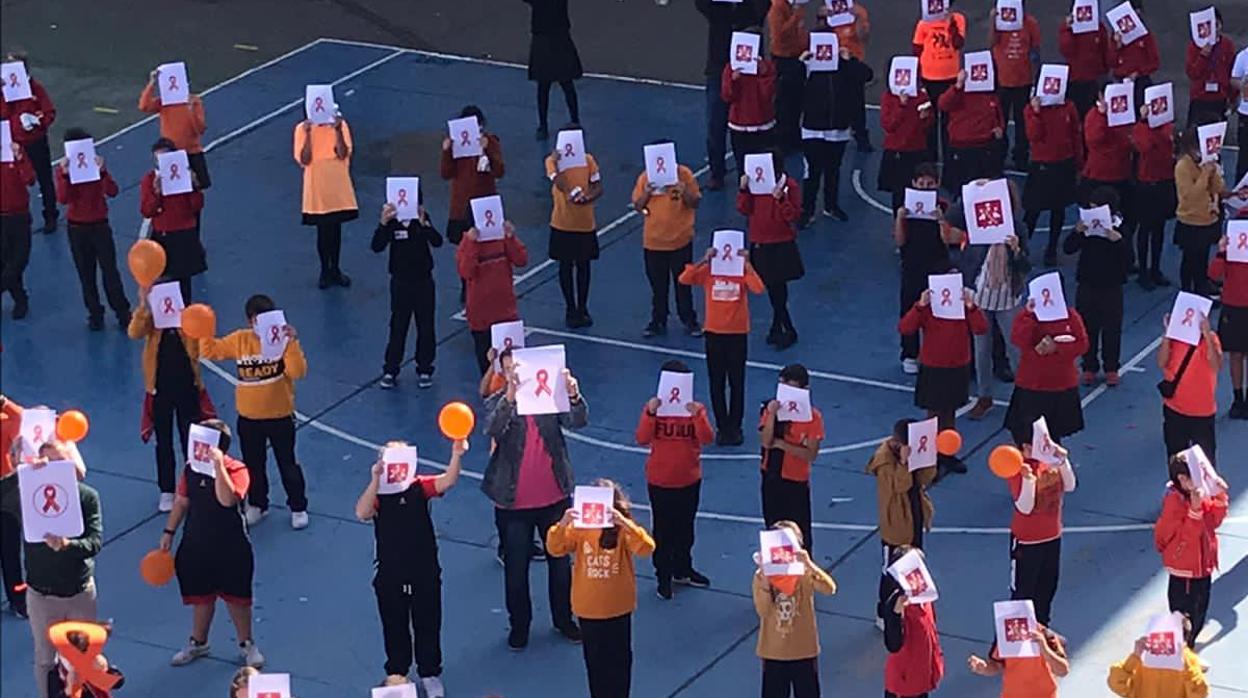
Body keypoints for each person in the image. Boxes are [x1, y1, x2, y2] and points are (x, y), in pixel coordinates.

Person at [482, 362, 588, 650]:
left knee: (561, 565)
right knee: (516, 569)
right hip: (513, 502)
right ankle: (520, 625)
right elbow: (491, 428)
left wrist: (573, 395)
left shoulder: (550, 397)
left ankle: (563, 619)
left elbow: (577, 421)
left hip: (554, 497)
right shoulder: (498, 400)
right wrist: (510, 397)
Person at [355, 439, 466, 698]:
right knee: (394, 626)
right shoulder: (379, 495)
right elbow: (362, 512)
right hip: (390, 573)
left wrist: (456, 455)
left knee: (428, 621)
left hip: (424, 569)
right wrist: (375, 480)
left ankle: (429, 672)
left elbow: (447, 481)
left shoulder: (418, 487)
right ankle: (398, 674)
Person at [159, 419, 264, 670]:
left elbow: (227, 500)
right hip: (196, 541)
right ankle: (198, 642)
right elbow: (182, 502)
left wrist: (218, 466)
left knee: (237, 597)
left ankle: (247, 644)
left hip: (231, 545)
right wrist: (169, 531)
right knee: (201, 596)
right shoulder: (190, 469)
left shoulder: (237, 469)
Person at [0, 440, 101, 698]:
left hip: (79, 592)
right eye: (48, 463)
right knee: (45, 659)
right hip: (41, 594)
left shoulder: (86, 496)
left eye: (60, 463)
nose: (55, 469)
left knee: (84, 656)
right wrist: (21, 475)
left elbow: (94, 542)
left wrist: (68, 545)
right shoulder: (27, 497)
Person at [199, 294, 310, 529]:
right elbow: (212, 351)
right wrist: (203, 329)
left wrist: (291, 344)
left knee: (288, 463)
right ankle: (258, 504)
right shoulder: (240, 340)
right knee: (253, 464)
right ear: (251, 321)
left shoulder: (282, 341)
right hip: (249, 419)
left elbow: (298, 372)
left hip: (280, 416)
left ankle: (298, 506)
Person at [547, 479, 654, 698]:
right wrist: (564, 522)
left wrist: (625, 523)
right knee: (596, 665)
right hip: (590, 609)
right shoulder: (579, 530)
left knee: (619, 662)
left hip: (617, 608)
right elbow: (555, 548)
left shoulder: (622, 531)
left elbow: (646, 548)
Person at [950, 181, 1030, 419]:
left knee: (1015, 348)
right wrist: (972, 191)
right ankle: (984, 397)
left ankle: (1024, 397)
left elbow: (1026, 265)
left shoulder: (1016, 227)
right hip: (979, 292)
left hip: (1007, 295)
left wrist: (1016, 251)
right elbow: (952, 216)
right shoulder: (977, 220)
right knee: (981, 349)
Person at [635, 360, 714, 600]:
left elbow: (707, 438)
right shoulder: (654, 409)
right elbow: (641, 438)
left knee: (685, 529)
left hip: (688, 479)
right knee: (663, 530)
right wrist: (650, 413)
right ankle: (663, 576)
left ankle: (682, 568)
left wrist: (698, 416)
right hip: (661, 480)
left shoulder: (695, 410)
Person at [128, 284, 208, 512]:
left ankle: (192, 485)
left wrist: (193, 321)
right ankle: (167, 489)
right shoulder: (153, 325)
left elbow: (200, 347)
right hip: (160, 391)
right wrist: (144, 306)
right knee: (163, 442)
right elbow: (134, 332)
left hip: (187, 388)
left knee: (190, 440)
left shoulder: (187, 323)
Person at [679, 246, 766, 445]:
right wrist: (704, 259)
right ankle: (722, 427)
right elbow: (684, 278)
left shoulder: (742, 273)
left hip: (737, 335)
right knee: (716, 384)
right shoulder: (709, 272)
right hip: (714, 334)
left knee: (736, 383)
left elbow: (759, 288)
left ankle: (735, 428)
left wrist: (747, 265)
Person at [898, 285, 988, 475]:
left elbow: (981, 328)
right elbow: (905, 328)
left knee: (950, 413)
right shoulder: (927, 308)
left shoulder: (964, 307)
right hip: (934, 367)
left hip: (957, 366)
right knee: (934, 415)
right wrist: (920, 306)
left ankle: (946, 453)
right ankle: (930, 459)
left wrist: (971, 307)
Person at [55, 127, 130, 331]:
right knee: (86, 275)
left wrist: (102, 172)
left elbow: (112, 191)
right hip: (78, 228)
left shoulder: (97, 166)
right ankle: (95, 313)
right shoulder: (64, 170)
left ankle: (122, 312)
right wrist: (64, 175)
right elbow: (63, 198)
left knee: (110, 272)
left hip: (98, 226)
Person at [1154, 450, 1229, 651]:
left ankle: (1189, 649)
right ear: (1183, 479)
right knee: (1183, 616)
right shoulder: (1174, 503)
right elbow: (1183, 537)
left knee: (1200, 611)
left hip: (1202, 565)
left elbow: (1213, 521)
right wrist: (1195, 511)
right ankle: (1182, 653)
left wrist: (1219, 495)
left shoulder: (1197, 494)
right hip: (1185, 567)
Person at [752, 521, 836, 698]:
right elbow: (763, 610)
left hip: (803, 650)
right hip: (774, 652)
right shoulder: (762, 576)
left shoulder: (804, 573)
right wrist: (766, 582)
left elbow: (829, 588)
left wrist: (809, 564)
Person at [866, 420, 936, 628]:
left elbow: (924, 478)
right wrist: (905, 463)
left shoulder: (912, 450)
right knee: (891, 570)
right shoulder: (884, 461)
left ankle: (909, 604)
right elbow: (899, 485)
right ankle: (883, 612)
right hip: (895, 522)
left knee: (914, 563)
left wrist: (928, 458)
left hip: (913, 515)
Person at [797, 36, 873, 224]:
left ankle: (831, 205)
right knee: (812, 172)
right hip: (813, 129)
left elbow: (867, 75)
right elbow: (788, 81)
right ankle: (807, 209)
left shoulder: (844, 66)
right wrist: (800, 63)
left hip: (837, 128)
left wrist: (850, 60)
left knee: (833, 170)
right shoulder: (808, 67)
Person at [696, 0, 770, 189]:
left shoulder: (751, 10)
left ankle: (752, 172)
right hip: (719, 69)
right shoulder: (717, 9)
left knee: (751, 125)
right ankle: (717, 172)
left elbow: (765, 5)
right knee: (715, 124)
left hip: (748, 72)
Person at [632, 143, 703, 338]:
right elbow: (637, 205)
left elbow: (695, 201)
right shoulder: (645, 178)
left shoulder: (684, 175)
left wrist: (683, 189)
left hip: (680, 241)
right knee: (658, 287)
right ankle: (658, 320)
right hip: (654, 242)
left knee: (683, 284)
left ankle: (689, 319)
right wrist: (647, 192)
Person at [372, 200, 443, 389]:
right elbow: (377, 246)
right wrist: (383, 224)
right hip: (401, 283)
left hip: (423, 282)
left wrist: (425, 225)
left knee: (426, 326)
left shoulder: (421, 220)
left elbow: (437, 241)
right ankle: (391, 369)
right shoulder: (392, 222)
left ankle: (425, 368)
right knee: (398, 327)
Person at [1064, 187, 1130, 387]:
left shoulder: (1121, 228)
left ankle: (1111, 368)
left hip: (1112, 286)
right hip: (1087, 283)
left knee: (1111, 329)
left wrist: (1119, 242)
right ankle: (1089, 366)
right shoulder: (1086, 228)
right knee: (1087, 327)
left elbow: (1130, 260)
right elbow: (1068, 249)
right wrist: (1077, 232)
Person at [1004, 290, 1089, 446]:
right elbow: (1018, 339)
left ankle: (1052, 470)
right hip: (1031, 385)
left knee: (1053, 439)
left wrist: (1057, 347)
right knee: (1023, 436)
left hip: (1060, 386)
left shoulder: (1071, 316)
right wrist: (1029, 315)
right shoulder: (1028, 316)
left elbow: (1082, 345)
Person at [894, 164, 955, 374]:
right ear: (913, 184)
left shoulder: (944, 206)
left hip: (937, 265)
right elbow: (900, 242)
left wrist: (940, 221)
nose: (925, 187)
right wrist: (900, 218)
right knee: (909, 309)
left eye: (930, 183)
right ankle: (909, 352)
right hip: (912, 265)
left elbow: (948, 242)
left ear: (937, 184)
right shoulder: (906, 207)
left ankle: (935, 353)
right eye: (921, 183)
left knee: (939, 312)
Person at [439, 104, 505, 302]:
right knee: (464, 249)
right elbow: (445, 173)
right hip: (462, 205)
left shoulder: (491, 142)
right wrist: (446, 152)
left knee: (487, 248)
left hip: (484, 204)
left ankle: (483, 285)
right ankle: (465, 286)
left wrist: (487, 152)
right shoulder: (456, 146)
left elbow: (499, 171)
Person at [1008, 441, 1077, 625]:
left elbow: (1069, 485)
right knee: (1023, 595)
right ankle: (1009, 647)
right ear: (1025, 447)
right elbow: (1025, 507)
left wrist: (1062, 460)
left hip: (1052, 537)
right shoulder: (1017, 467)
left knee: (1047, 589)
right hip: (1027, 542)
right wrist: (1029, 480)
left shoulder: (1050, 462)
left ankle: (1042, 631)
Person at [739, 151, 802, 348]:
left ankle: (786, 328)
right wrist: (743, 190)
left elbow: (793, 216)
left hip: (781, 242)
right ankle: (779, 326)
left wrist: (781, 200)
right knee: (772, 287)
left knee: (778, 287)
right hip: (760, 241)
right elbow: (744, 209)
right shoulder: (754, 186)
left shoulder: (789, 186)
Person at [759, 364, 824, 553]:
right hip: (772, 475)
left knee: (801, 535)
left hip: (796, 480)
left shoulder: (813, 418)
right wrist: (771, 414)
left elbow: (811, 454)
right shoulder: (771, 409)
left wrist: (782, 445)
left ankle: (804, 577)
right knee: (774, 532)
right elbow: (766, 441)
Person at [546, 126, 603, 328]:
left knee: (584, 267)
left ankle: (582, 307)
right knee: (565, 267)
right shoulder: (553, 162)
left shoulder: (588, 161)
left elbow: (598, 186)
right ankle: (570, 308)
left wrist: (588, 197)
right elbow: (559, 183)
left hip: (585, 224)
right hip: (562, 223)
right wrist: (557, 164)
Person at [294, 112, 358, 289]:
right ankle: (324, 270)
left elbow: (343, 153)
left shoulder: (341, 125)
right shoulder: (301, 129)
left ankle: (335, 269)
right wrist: (307, 134)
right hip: (317, 186)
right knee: (323, 231)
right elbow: (304, 158)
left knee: (335, 229)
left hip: (336, 184)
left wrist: (337, 131)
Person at [458, 220, 528, 374]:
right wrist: (472, 244)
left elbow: (521, 260)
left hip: (506, 313)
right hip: (480, 317)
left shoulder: (502, 238)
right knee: (487, 369)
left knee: (514, 367)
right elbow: (466, 272)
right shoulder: (467, 242)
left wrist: (511, 237)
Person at [140, 138, 205, 302]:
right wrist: (156, 193)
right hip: (163, 236)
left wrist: (195, 186)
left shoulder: (184, 177)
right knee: (163, 284)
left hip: (184, 235)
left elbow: (196, 206)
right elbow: (147, 211)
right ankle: (167, 325)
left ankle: (184, 323)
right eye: (158, 159)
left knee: (184, 285)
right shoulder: (149, 180)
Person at [0, 51, 57, 234]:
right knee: (15, 181)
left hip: (35, 142)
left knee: (44, 180)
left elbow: (49, 113)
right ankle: (22, 217)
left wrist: (36, 121)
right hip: (15, 145)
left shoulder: (36, 89)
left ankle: (50, 216)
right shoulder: (5, 91)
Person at [1026, 93, 1083, 267]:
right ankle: (1020, 248)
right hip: (1042, 164)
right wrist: (1036, 112)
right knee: (1032, 210)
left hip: (1063, 163)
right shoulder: (1031, 109)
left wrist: (1079, 162)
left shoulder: (1068, 107)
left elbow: (1075, 135)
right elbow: (1033, 135)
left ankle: (1051, 249)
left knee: (1058, 210)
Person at [879, 545, 944, 698]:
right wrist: (896, 614)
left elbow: (931, 632)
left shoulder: (925, 598)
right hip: (903, 686)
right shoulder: (896, 603)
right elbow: (893, 644)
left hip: (922, 679)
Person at [1158, 312, 1222, 465]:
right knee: (1176, 463)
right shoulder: (1174, 339)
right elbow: (1161, 362)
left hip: (1202, 413)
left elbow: (1216, 365)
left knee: (1206, 465)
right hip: (1175, 409)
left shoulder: (1211, 339)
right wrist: (1167, 335)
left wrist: (1206, 334)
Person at [1080, 87, 1134, 269]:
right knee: (1098, 223)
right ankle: (1096, 258)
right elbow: (1094, 140)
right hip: (1100, 177)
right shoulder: (1093, 117)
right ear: (1101, 96)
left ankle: (1123, 257)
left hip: (1121, 175)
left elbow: (1129, 139)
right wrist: (1103, 116)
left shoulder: (1124, 115)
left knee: (1124, 221)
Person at [988, 3, 1041, 169]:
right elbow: (991, 42)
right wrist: (993, 21)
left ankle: (1021, 158)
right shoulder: (998, 23)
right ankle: (998, 156)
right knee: (999, 121)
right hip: (1002, 81)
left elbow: (1035, 50)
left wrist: (1036, 78)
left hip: (1023, 81)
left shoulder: (1030, 23)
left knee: (1022, 122)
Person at [139, 64, 210, 189]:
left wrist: (191, 110)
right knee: (173, 189)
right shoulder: (164, 102)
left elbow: (200, 129)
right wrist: (152, 83)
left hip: (192, 151)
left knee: (199, 186)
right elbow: (144, 106)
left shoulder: (194, 101)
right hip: (171, 153)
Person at [1174, 126, 1226, 295]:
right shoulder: (1182, 166)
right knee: (1190, 259)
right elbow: (1190, 195)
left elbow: (1218, 188)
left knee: (1203, 257)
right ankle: (1186, 291)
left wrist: (1215, 172)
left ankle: (1201, 287)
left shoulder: (1206, 164)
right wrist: (1204, 174)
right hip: (1190, 220)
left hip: (1207, 218)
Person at [1132, 104, 1177, 290]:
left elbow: (1170, 146)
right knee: (1145, 229)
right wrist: (1145, 123)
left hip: (1164, 181)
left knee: (1159, 229)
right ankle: (1143, 271)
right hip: (1147, 184)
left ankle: (1155, 269)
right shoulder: (1140, 129)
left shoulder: (1168, 127)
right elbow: (1145, 147)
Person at [938, 69, 1004, 194]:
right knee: (960, 192)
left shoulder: (990, 95)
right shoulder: (958, 92)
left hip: (985, 148)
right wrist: (958, 85)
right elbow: (943, 104)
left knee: (984, 191)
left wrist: (1000, 128)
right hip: (962, 148)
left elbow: (997, 114)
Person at [722, 29, 777, 177]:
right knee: (743, 171)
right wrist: (733, 80)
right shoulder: (731, 68)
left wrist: (763, 73)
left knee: (767, 170)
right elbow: (727, 96)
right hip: (739, 127)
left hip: (762, 126)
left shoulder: (767, 67)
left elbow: (768, 95)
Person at [524, 0, 582, 140]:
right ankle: (574, 120)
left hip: (545, 38)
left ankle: (543, 126)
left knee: (544, 86)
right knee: (566, 83)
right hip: (559, 36)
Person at [911, 5, 966, 154]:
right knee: (930, 118)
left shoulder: (958, 19)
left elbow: (958, 43)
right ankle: (931, 154)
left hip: (950, 76)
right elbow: (917, 49)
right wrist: (917, 75)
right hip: (929, 77)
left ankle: (950, 153)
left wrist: (951, 24)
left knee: (949, 119)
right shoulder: (924, 23)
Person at [1107, 620, 1209, 697]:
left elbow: (1200, 693)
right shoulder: (1141, 661)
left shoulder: (1189, 663)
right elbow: (1116, 683)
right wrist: (1135, 656)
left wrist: (1186, 665)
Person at [878, 85, 935, 213]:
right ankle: (898, 224)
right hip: (896, 150)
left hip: (917, 149)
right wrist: (901, 106)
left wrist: (925, 119)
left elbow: (929, 126)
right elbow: (888, 125)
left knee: (920, 190)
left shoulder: (922, 96)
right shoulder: (888, 97)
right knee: (898, 192)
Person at [968, 625, 1070, 696]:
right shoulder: (1004, 635)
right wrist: (984, 667)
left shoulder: (1047, 635)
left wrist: (1044, 648)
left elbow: (1063, 670)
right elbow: (997, 665)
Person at [1210, 234, 1248, 419]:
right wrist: (1221, 252)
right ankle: (1238, 398)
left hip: (1236, 306)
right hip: (1233, 306)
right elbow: (1213, 274)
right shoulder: (1231, 249)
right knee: (1236, 354)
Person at [829, 1, 872, 150]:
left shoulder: (859, 11)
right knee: (834, 97)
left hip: (853, 61)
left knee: (856, 101)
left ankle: (861, 135)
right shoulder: (828, 11)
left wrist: (858, 18)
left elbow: (864, 37)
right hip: (833, 61)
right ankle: (835, 132)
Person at [0, 138, 35, 319]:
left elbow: (30, 179)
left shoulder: (15, 151)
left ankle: (17, 296)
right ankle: (19, 299)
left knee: (19, 259)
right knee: (5, 260)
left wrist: (20, 158)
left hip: (19, 215)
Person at [768, 0, 809, 153]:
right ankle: (782, 140)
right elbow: (780, 34)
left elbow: (799, 32)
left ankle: (793, 136)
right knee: (784, 102)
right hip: (783, 59)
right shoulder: (777, 6)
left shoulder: (793, 7)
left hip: (796, 56)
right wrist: (796, 16)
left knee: (797, 100)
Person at [1184, 8, 1234, 128]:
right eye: (1211, 25)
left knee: (1215, 138)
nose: (1214, 29)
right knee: (1195, 136)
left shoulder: (1227, 45)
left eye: (1217, 25)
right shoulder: (1195, 45)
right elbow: (1192, 73)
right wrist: (1203, 55)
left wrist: (1232, 98)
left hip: (1220, 98)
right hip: (1200, 98)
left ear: (1221, 25)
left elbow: (1232, 73)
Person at [1106, 0, 1159, 110]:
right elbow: (1111, 62)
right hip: (1121, 82)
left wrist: (1138, 72)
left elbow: (1155, 62)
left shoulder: (1145, 36)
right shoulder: (1115, 36)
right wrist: (1117, 46)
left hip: (1141, 83)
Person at [1058, 11, 1110, 118]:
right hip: (1075, 80)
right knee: (1076, 116)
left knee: (1095, 116)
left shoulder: (1099, 28)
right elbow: (1066, 50)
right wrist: (1068, 29)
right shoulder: (1068, 29)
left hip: (1094, 80)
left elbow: (1105, 50)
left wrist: (1104, 73)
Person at [0, 394, 25, 618]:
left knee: (10, 550)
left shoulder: (3, 419)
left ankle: (17, 599)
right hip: (7, 487)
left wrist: (4, 403)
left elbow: (23, 420)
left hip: (6, 489)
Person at [1234, 46, 1248, 185]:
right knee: (1244, 155)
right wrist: (1243, 84)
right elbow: (1234, 79)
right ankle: (1240, 193)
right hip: (1246, 113)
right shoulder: (1243, 56)